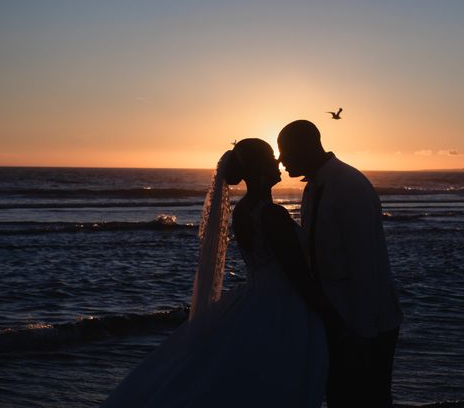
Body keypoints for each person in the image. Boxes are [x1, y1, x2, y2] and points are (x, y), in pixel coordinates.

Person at [102, 139, 338, 407]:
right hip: (282, 308)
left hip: (256, 298)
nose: (277, 162)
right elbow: (297, 274)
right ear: (258, 167)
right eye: (271, 156)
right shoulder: (272, 215)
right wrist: (328, 313)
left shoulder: (243, 211)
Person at [278, 120, 404, 408]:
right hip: (339, 322)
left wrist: (362, 334)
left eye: (285, 151)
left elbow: (365, 265)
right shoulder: (315, 188)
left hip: (366, 324)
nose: (281, 160)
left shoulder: (348, 187)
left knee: (366, 399)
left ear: (308, 145)